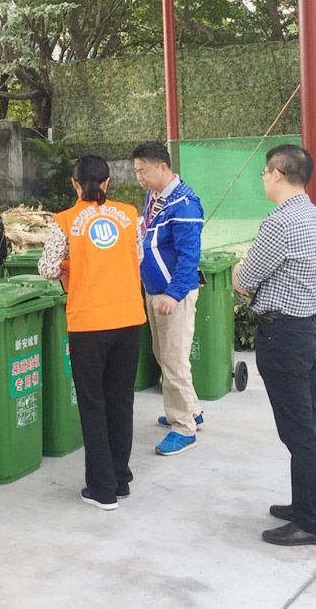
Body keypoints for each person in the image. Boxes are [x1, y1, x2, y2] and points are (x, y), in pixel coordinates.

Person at [232, 144, 316, 546]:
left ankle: (313, 522)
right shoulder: (315, 216)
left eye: (264, 173)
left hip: (284, 336)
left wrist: (239, 268)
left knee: (298, 431)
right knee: (309, 422)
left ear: (276, 174)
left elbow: (245, 280)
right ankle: (310, 500)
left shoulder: (281, 222)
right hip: (307, 329)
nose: (263, 179)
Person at [39, 155, 144, 510]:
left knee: (93, 403)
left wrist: (71, 263)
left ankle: (102, 489)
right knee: (121, 400)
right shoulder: (129, 215)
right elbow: (137, 258)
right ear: (108, 182)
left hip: (89, 322)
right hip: (128, 318)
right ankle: (121, 479)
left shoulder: (65, 221)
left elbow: (48, 268)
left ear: (74, 183)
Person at [131, 141, 206, 456]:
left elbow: (189, 257)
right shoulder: (155, 195)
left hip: (173, 293)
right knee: (163, 355)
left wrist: (174, 295)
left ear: (163, 167)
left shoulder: (184, 204)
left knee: (174, 360)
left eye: (143, 171)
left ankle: (184, 428)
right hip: (155, 289)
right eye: (137, 171)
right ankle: (191, 410)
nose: (139, 177)